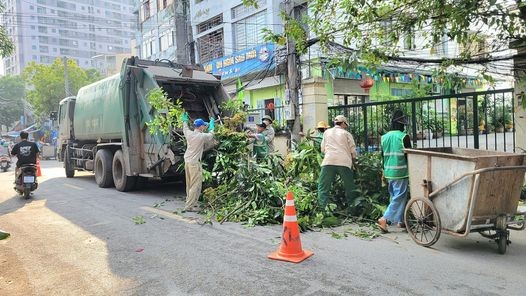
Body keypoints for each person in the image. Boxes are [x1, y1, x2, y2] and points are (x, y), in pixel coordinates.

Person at [377, 110, 412, 233]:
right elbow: (410, 156)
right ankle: (384, 219)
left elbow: (382, 155)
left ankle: (400, 221)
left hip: (388, 172)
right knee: (399, 196)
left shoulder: (384, 137)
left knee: (394, 197)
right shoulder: (404, 136)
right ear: (402, 124)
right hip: (401, 172)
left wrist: (383, 171)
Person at [317, 115, 358, 209]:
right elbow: (353, 150)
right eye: (346, 124)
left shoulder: (326, 132)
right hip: (344, 162)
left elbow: (322, 149)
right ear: (343, 123)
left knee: (323, 187)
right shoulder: (346, 134)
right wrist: (355, 162)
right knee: (350, 187)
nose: (346, 126)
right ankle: (353, 209)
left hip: (328, 161)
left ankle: (321, 210)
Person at [182, 113, 215, 212]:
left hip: (187, 161)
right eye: (204, 125)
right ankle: (189, 206)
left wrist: (184, 120)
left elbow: (185, 127)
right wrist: (212, 126)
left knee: (189, 184)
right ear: (200, 127)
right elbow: (211, 135)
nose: (205, 127)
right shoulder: (201, 136)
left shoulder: (189, 133)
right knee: (195, 185)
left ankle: (191, 203)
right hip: (194, 163)